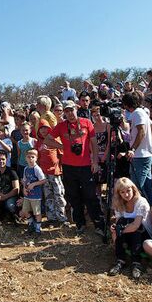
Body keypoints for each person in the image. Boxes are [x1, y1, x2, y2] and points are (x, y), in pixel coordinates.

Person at [44, 100, 104, 235]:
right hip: (69, 167)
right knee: (74, 196)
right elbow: (47, 139)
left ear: (76, 109)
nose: (70, 113)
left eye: (72, 110)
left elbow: (94, 144)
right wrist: (62, 147)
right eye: (67, 111)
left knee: (91, 196)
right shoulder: (61, 126)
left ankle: (99, 225)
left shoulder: (87, 122)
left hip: (86, 166)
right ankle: (80, 224)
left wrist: (95, 162)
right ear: (64, 113)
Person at [108, 177, 151, 280]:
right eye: (122, 192)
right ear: (119, 194)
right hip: (128, 233)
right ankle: (120, 260)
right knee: (121, 223)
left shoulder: (141, 202)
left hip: (143, 235)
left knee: (135, 227)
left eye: (128, 191)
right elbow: (119, 221)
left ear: (133, 189)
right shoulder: (119, 203)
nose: (126, 195)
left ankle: (136, 262)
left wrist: (120, 229)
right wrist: (115, 228)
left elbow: (136, 225)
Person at [122, 91, 152, 204]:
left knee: (135, 188)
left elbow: (142, 131)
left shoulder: (138, 113)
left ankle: (136, 215)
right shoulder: (140, 112)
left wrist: (132, 149)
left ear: (127, 104)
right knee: (147, 189)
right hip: (144, 154)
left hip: (140, 156)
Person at [36, 122, 68, 225]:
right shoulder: (38, 143)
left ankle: (62, 217)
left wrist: (62, 170)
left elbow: (61, 156)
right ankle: (51, 218)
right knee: (48, 195)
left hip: (55, 172)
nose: (43, 130)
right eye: (41, 129)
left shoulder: (55, 141)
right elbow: (36, 158)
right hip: (44, 173)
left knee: (59, 194)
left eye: (45, 128)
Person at [21, 149, 46, 235]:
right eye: (28, 157)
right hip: (28, 195)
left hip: (35, 195)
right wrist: (24, 188)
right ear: (25, 158)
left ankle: (38, 229)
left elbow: (43, 180)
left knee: (37, 212)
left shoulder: (37, 169)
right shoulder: (26, 169)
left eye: (33, 157)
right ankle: (31, 224)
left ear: (36, 158)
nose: (30, 159)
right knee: (25, 211)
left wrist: (34, 184)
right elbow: (24, 180)